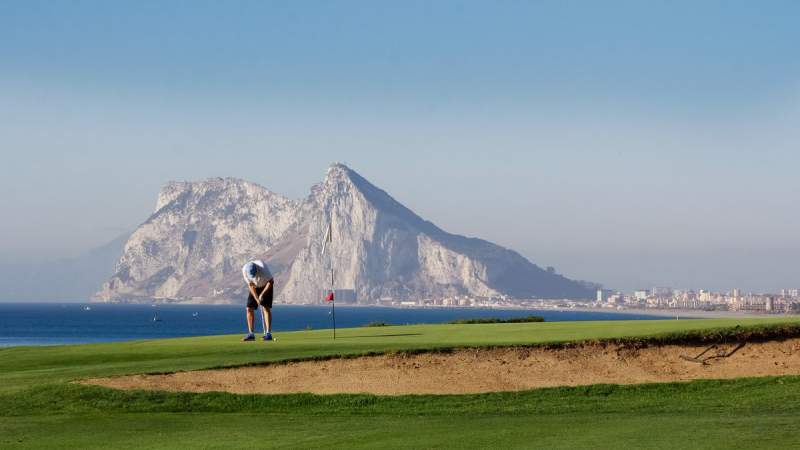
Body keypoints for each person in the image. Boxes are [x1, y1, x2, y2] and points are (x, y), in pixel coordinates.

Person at [241, 259, 274, 341]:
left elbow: (271, 281)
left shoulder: (262, 267)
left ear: (257, 269)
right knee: (249, 309)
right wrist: (256, 298)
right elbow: (251, 285)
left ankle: (268, 333)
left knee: (265, 308)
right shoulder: (244, 270)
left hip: (266, 285)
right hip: (255, 287)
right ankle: (251, 334)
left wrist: (262, 294)